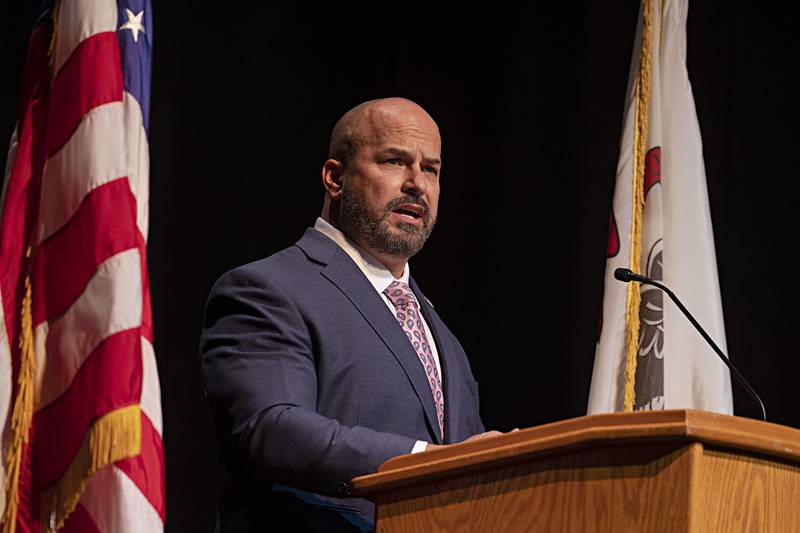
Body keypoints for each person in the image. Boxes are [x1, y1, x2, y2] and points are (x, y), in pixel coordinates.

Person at [199, 97, 496, 532]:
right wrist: (430, 463)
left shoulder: (436, 329)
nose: (417, 183)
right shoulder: (267, 290)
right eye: (395, 161)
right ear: (335, 177)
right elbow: (271, 429)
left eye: (430, 169)